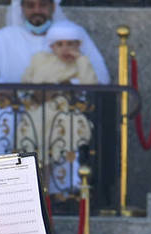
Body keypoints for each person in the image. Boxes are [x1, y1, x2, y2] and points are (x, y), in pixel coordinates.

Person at [0, 0, 109, 158]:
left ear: (53, 7)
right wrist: (0, 87)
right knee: (3, 122)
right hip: (15, 108)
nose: (37, 10)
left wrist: (65, 87)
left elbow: (101, 77)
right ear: (21, 8)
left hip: (60, 110)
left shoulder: (71, 35)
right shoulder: (5, 37)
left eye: (43, 5)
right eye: (30, 5)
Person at [19, 21, 97, 194]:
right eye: (60, 44)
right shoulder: (39, 59)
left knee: (65, 132)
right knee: (34, 135)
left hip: (66, 111)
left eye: (71, 44)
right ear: (52, 46)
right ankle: (39, 187)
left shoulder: (81, 62)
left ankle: (61, 191)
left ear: (78, 45)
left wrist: (80, 61)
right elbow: (26, 83)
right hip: (38, 110)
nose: (65, 49)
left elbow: (90, 85)